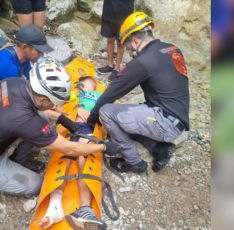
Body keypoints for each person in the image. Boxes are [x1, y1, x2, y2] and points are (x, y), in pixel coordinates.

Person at [0, 61, 120, 196]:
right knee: (36, 185)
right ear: (42, 99)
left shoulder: (14, 82)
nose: (54, 107)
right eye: (53, 103)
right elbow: (69, 149)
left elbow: (38, 111)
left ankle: (18, 160)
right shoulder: (23, 119)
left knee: (41, 117)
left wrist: (64, 120)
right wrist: (103, 148)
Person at [87, 12, 190, 173]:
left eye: (128, 48)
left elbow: (111, 93)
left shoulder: (142, 62)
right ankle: (158, 148)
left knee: (107, 112)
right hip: (179, 117)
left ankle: (133, 162)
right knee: (126, 116)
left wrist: (91, 118)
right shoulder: (171, 48)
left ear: (135, 41)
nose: (129, 53)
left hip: (165, 123)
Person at [39, 76, 105, 229]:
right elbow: (58, 107)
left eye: (87, 83)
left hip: (87, 127)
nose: (84, 86)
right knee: (65, 154)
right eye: (81, 83)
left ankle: (85, 209)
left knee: (84, 154)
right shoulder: (72, 94)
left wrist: (94, 116)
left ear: (94, 86)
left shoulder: (99, 96)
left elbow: (106, 114)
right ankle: (55, 206)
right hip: (69, 126)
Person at [0, 24, 52, 99]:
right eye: (38, 51)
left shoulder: (23, 58)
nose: (42, 55)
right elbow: (19, 95)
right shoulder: (7, 65)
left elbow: (31, 79)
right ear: (25, 47)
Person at [97, 0, 134, 74]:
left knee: (120, 42)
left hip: (124, 12)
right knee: (110, 39)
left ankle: (117, 68)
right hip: (109, 10)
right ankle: (110, 65)